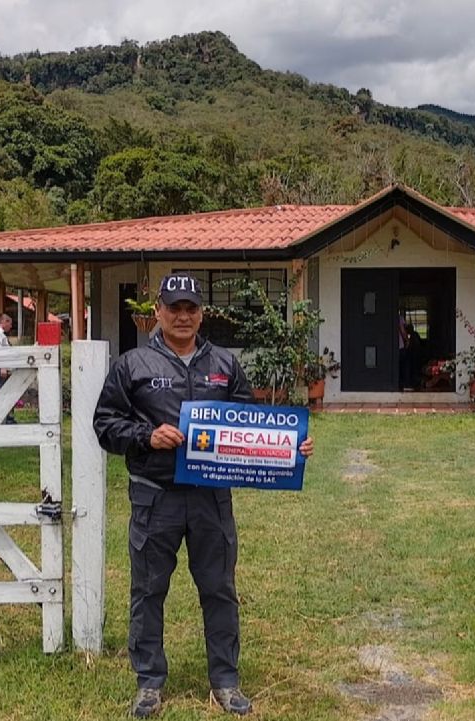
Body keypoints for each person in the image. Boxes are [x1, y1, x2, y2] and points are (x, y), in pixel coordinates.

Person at [92, 273, 314, 718]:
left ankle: (226, 681)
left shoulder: (225, 364)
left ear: (201, 313)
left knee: (219, 589)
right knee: (148, 591)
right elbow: (105, 424)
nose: (183, 316)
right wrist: (147, 436)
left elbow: (249, 424)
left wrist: (289, 447)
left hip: (211, 499)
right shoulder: (132, 365)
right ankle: (149, 683)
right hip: (155, 497)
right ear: (157, 311)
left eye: (191, 308)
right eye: (174, 307)